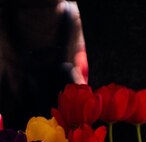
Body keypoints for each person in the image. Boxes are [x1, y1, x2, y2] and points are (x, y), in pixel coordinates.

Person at [0, 0, 85, 130]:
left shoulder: (6, 17)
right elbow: (72, 63)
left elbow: (8, 67)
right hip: (58, 108)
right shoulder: (72, 16)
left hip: (19, 102)